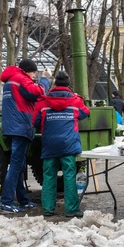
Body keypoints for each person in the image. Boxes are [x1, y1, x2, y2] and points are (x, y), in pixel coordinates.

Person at [32, 71, 90, 217]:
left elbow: (35, 122)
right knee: (69, 175)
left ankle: (48, 209)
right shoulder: (75, 101)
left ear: (55, 84)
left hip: (49, 144)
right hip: (68, 145)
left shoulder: (43, 102)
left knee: (49, 175)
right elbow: (85, 113)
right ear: (68, 85)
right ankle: (71, 209)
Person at [0, 59, 51, 213]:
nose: (34, 75)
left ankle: (23, 200)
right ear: (28, 71)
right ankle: (6, 201)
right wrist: (45, 79)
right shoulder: (20, 79)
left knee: (20, 165)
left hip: (11, 127)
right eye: (33, 72)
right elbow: (39, 93)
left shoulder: (10, 81)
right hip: (20, 127)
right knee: (15, 165)